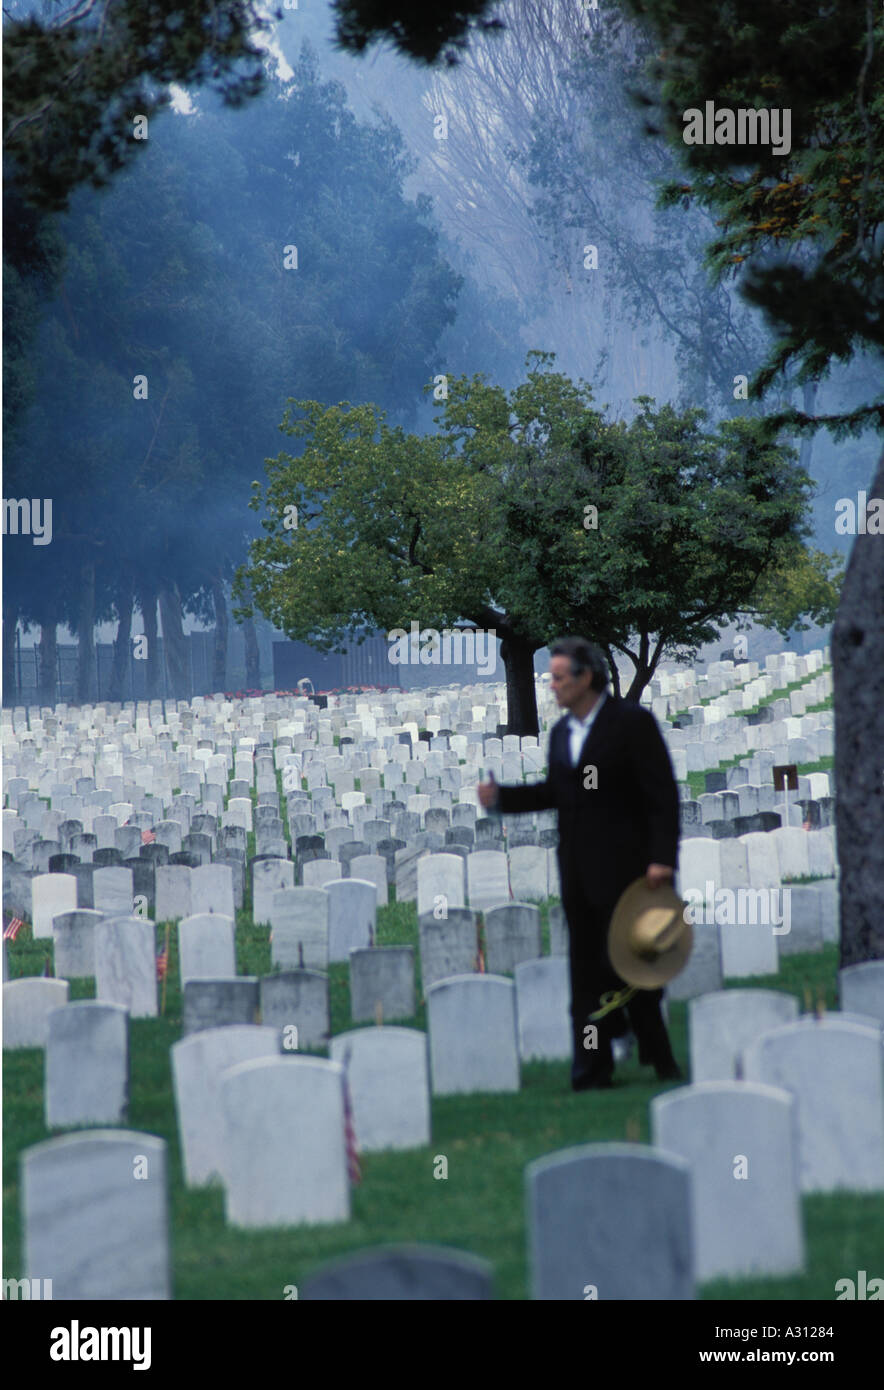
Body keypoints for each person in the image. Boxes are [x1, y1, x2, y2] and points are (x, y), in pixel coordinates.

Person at [477, 636, 683, 1090]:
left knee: (635, 971)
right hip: (578, 873)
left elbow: (661, 797)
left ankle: (658, 1053)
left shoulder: (631, 725)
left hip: (629, 872)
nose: (551, 686)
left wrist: (662, 860)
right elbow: (556, 793)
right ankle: (591, 1069)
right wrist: (501, 800)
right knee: (586, 974)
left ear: (585, 677)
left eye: (557, 677)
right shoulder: (561, 735)